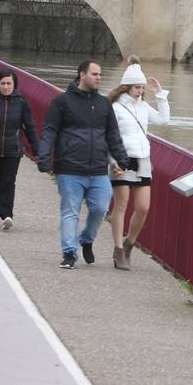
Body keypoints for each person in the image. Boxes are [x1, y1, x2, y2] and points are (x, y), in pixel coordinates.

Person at [38, 59, 130, 269]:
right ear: (82, 75)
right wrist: (44, 156)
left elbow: (113, 135)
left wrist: (122, 159)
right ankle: (69, 253)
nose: (99, 78)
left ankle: (86, 239)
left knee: (99, 209)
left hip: (98, 169)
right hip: (69, 168)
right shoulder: (62, 102)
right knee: (70, 211)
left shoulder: (104, 104)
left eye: (100, 75)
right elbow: (50, 130)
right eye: (95, 74)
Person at [106, 57, 170, 270]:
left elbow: (163, 120)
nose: (140, 90)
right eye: (136, 86)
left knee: (143, 207)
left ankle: (129, 244)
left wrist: (160, 95)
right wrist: (113, 160)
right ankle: (118, 250)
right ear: (126, 86)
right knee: (121, 204)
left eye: (142, 87)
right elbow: (108, 136)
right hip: (121, 158)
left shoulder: (143, 106)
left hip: (143, 159)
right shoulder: (115, 107)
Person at [0, 68, 38, 231]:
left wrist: (38, 151)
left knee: (8, 183)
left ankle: (7, 215)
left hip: (13, 150)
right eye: (3, 83)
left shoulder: (22, 103)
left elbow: (30, 127)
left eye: (9, 83)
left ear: (14, 84)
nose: (6, 86)